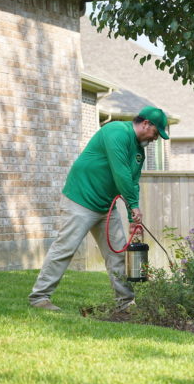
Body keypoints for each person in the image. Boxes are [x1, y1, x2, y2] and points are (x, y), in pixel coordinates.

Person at [28, 106, 169, 311]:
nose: (156, 138)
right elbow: (121, 173)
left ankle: (126, 303)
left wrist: (133, 218)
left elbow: (133, 182)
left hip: (106, 206)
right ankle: (40, 297)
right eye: (156, 133)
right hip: (81, 199)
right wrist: (133, 206)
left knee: (118, 254)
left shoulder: (139, 152)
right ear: (146, 124)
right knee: (65, 248)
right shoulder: (116, 132)